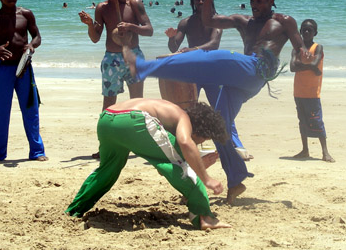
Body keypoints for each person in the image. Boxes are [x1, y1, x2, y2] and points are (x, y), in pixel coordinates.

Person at [122, 0, 306, 203]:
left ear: (271, 1)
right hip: (243, 80)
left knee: (207, 57)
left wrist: (303, 54)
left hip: (256, 69)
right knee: (220, 126)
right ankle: (236, 180)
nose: (255, 5)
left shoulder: (284, 21)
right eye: (252, 0)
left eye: (259, 1)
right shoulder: (244, 21)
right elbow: (209, 20)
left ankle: (142, 68)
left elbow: (299, 45)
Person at [65, 98, 231, 230]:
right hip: (135, 120)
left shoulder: (167, 110)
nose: (200, 143)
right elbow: (186, 143)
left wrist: (194, 162)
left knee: (107, 170)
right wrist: (207, 178)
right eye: (204, 139)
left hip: (107, 119)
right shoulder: (183, 117)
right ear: (200, 129)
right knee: (184, 168)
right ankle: (204, 217)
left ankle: (74, 210)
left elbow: (164, 163)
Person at [165, 0, 250, 160]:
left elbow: (213, 44)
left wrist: (192, 50)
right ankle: (185, 145)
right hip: (193, 72)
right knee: (187, 110)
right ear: (193, 1)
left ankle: (236, 145)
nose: (201, 2)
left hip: (213, 72)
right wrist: (171, 38)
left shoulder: (216, 21)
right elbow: (175, 48)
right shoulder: (186, 22)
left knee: (222, 110)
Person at [78, 0, 153, 158]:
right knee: (109, 104)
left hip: (133, 56)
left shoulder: (134, 4)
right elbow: (96, 38)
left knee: (137, 102)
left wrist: (131, 27)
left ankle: (140, 143)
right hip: (111, 59)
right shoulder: (102, 8)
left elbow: (149, 30)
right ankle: (107, 145)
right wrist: (89, 24)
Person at [0, 0, 47, 163]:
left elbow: (37, 36)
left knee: (31, 110)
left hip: (24, 68)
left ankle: (37, 152)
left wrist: (31, 46)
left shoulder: (26, 14)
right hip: (3, 70)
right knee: (0, 112)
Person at [290, 19, 334, 162]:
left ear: (315, 32)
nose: (307, 32)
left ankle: (325, 152)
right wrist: (310, 65)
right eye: (304, 29)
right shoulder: (297, 49)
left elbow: (315, 64)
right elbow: (292, 67)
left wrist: (302, 64)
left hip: (313, 92)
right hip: (299, 91)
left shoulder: (318, 48)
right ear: (300, 32)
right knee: (302, 121)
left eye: (310, 30)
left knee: (317, 121)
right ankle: (305, 150)